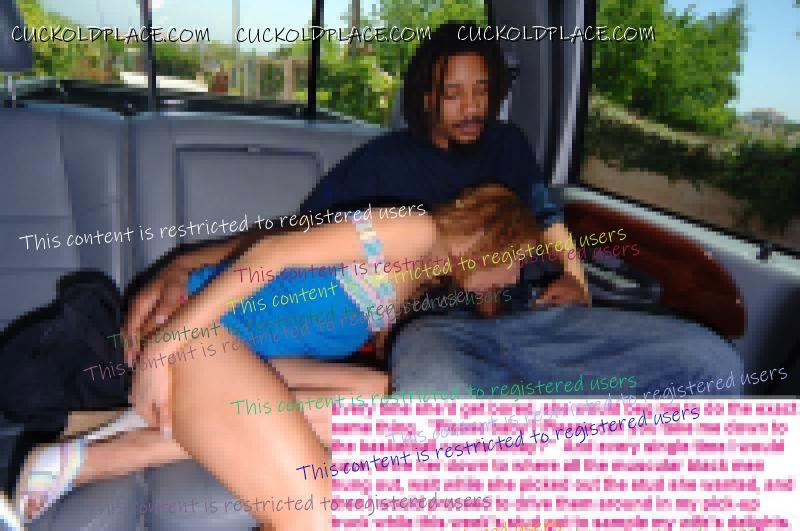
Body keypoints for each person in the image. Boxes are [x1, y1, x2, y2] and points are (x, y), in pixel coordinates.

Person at [12, 185, 543, 531]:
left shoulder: (417, 281)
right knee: (320, 514)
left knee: (391, 402)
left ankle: (95, 453)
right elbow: (272, 253)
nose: (511, 280)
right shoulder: (414, 227)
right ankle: (91, 457)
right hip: (197, 332)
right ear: (495, 235)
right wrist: (162, 346)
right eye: (516, 263)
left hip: (240, 355)